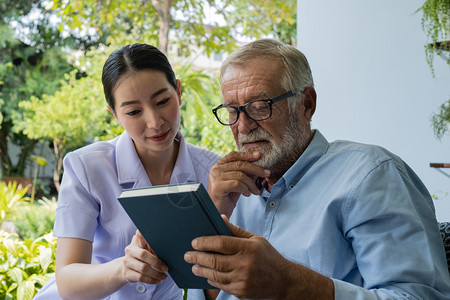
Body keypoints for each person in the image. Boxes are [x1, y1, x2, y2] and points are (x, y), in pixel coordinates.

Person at [184, 38, 450, 299]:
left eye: (259, 107)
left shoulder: (372, 175)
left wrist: (289, 285)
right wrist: (211, 216)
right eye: (233, 111)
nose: (243, 126)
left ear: (306, 104)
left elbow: (417, 295)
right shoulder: (231, 194)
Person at [33, 43, 220, 299]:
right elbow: (67, 280)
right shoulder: (86, 167)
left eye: (163, 101)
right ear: (115, 115)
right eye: (133, 111)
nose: (155, 122)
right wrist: (124, 268)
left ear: (178, 91)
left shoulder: (211, 172)